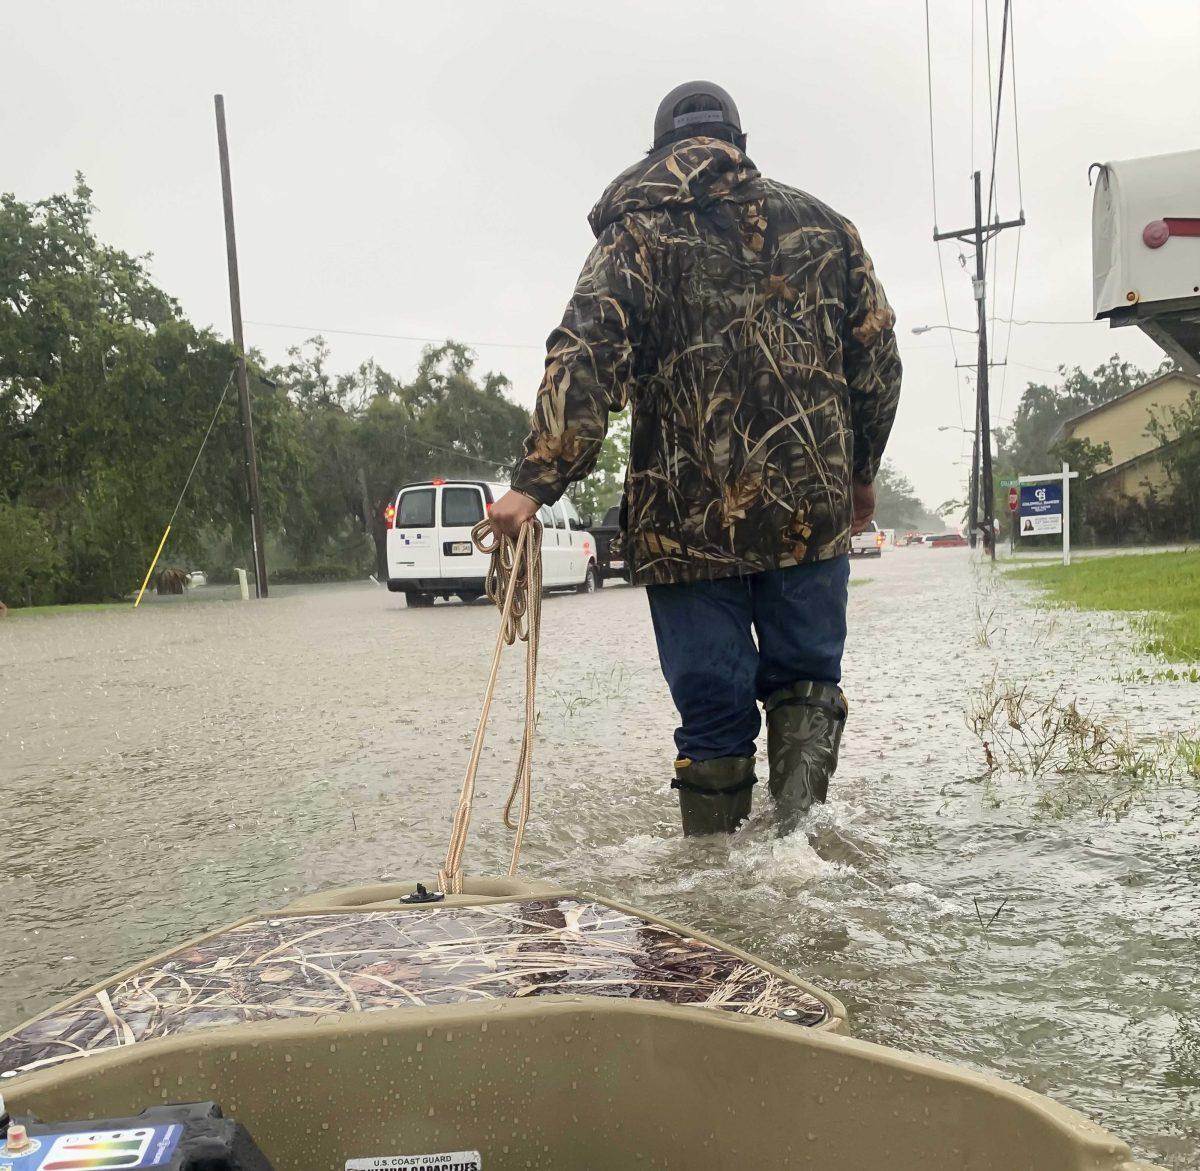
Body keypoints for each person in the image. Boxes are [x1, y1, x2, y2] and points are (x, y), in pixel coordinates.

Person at [491, 81, 902, 835]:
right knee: (807, 685)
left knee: (712, 714)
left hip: (686, 523)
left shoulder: (636, 236)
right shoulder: (828, 229)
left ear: (661, 154)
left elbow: (586, 353)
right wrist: (860, 472)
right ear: (739, 147)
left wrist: (535, 483)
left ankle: (714, 895)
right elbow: (877, 360)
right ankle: (796, 855)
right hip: (806, 510)